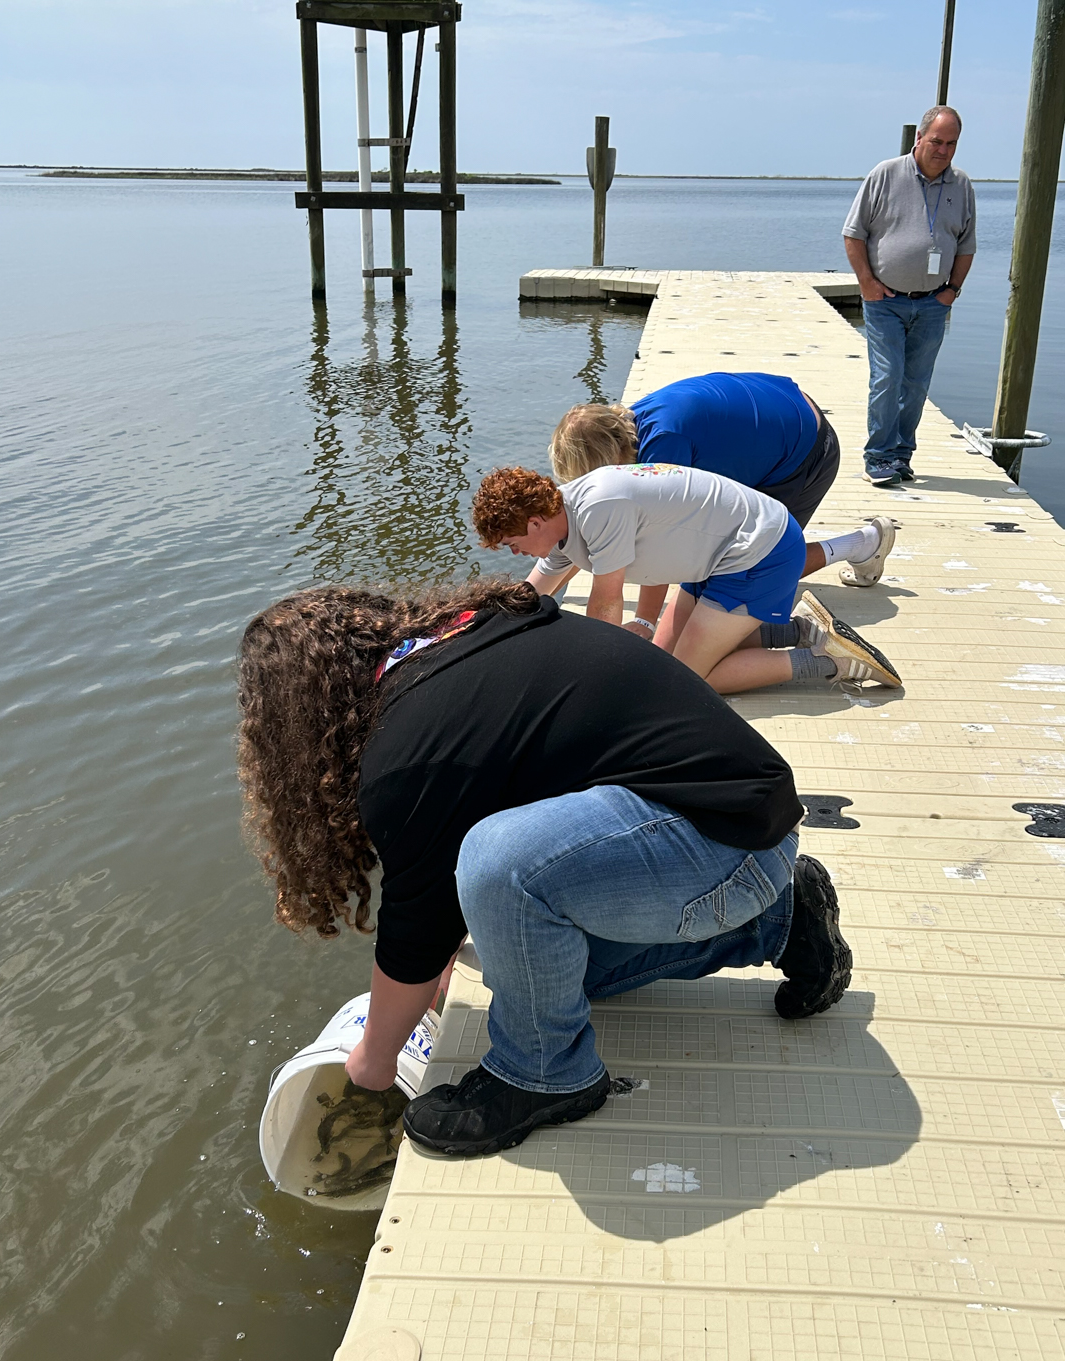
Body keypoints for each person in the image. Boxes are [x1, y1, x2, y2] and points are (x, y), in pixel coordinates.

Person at [237, 579, 854, 1157]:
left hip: (721, 847)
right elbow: (453, 847)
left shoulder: (404, 757)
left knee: (499, 862)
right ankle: (777, 921)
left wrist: (373, 1062)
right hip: (745, 834)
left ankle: (545, 1075)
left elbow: (417, 924)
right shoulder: (473, 638)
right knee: (542, 981)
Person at [472, 464, 901, 694]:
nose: (515, 553)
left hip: (759, 551)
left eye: (511, 544)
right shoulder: (563, 516)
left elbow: (606, 604)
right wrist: (479, 633)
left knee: (678, 683)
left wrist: (594, 678)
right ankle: (800, 628)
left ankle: (838, 662)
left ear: (532, 524)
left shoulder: (598, 508)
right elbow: (531, 593)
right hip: (716, 559)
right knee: (662, 660)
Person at [549, 376, 896, 627]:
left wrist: (644, 624)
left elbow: (660, 554)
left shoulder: (662, 449)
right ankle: (860, 542)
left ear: (609, 458)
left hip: (804, 450)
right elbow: (588, 534)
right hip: (784, 409)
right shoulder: (626, 426)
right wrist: (533, 600)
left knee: (762, 559)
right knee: (729, 563)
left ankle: (862, 543)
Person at [843, 105, 976, 486]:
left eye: (951, 143)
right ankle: (878, 457)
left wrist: (952, 290)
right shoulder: (885, 174)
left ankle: (901, 456)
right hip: (885, 300)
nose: (944, 150)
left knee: (916, 382)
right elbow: (853, 233)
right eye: (937, 141)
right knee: (889, 375)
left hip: (933, 303)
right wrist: (866, 282)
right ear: (919, 138)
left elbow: (966, 245)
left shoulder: (961, 185)